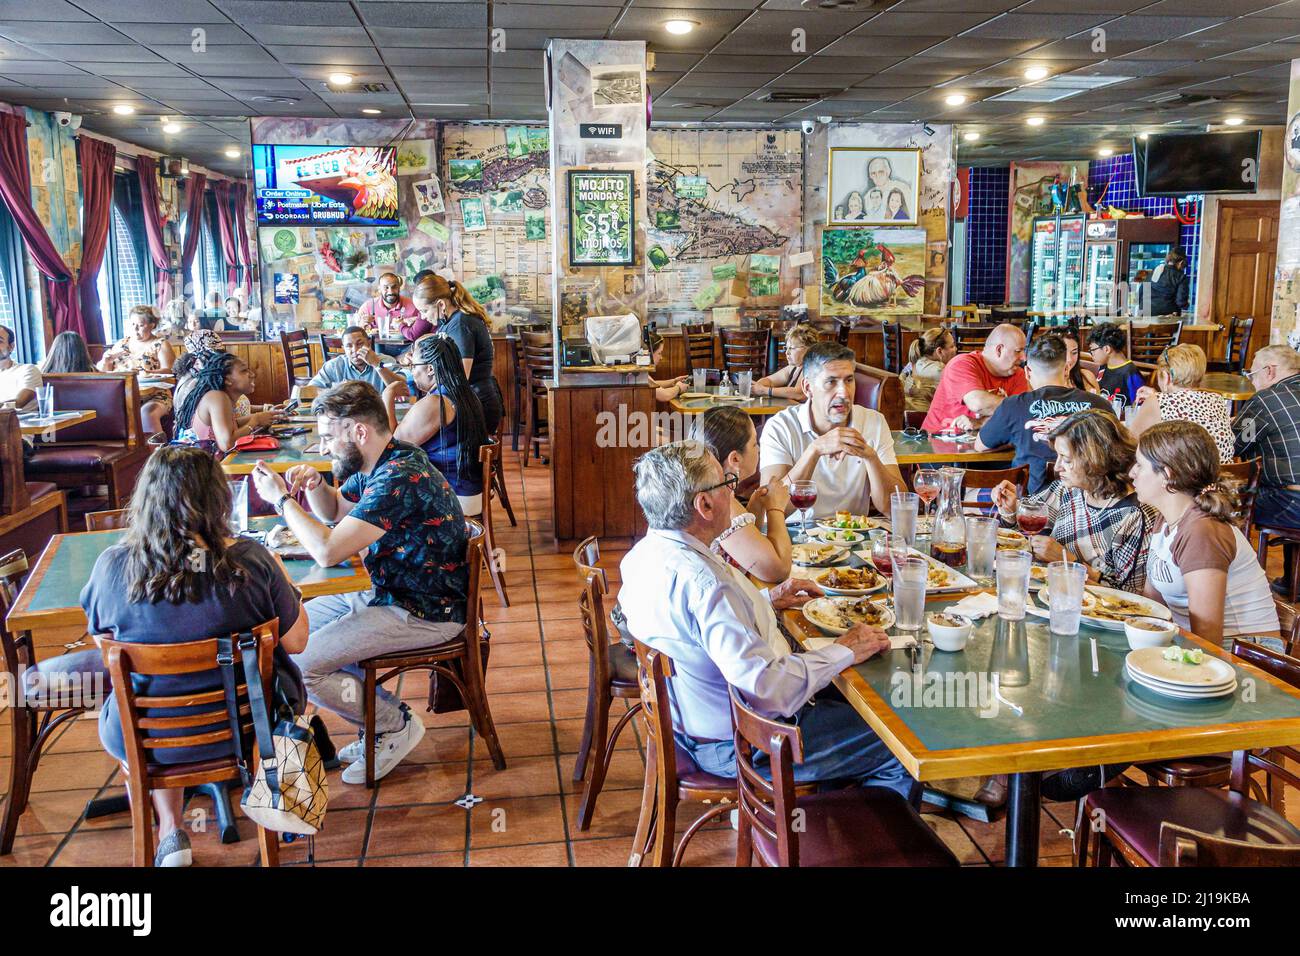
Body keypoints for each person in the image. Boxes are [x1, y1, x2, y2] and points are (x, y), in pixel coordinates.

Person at [619, 441, 912, 796]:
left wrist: (766, 600)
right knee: (900, 742)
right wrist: (844, 649)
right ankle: (840, 843)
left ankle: (819, 809)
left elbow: (696, 631)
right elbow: (766, 687)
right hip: (743, 745)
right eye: (726, 482)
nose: (733, 489)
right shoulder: (705, 584)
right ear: (705, 504)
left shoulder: (642, 555)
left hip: (692, 724)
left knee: (852, 704)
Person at [80, 446, 310, 866]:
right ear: (216, 499)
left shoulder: (111, 567)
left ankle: (171, 834)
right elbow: (296, 643)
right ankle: (278, 804)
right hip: (245, 730)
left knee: (145, 690)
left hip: (149, 739)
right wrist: (283, 580)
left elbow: (103, 645)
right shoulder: (251, 563)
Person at [248, 381, 470, 785]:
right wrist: (316, 486)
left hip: (424, 610)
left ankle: (392, 724)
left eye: (330, 436)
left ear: (359, 432)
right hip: (388, 592)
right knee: (287, 634)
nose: (325, 446)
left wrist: (282, 500)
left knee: (303, 663)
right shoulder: (382, 462)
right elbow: (336, 509)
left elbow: (328, 551)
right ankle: (375, 718)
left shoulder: (399, 475)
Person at [1134, 421, 1280, 647]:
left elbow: (1208, 638)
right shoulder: (1167, 517)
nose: (1132, 473)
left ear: (1167, 475)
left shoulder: (1202, 530)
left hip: (1246, 655)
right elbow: (1152, 605)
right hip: (1198, 644)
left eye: (1139, 465)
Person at [992, 409, 1157, 592]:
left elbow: (1131, 596)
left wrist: (1068, 560)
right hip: (1048, 594)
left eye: (1066, 459)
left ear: (1095, 460)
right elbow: (1020, 539)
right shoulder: (1068, 491)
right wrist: (1011, 509)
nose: (1057, 467)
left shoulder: (1135, 515)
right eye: (1058, 457)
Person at [759, 341, 905, 519]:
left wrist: (871, 458)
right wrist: (814, 450)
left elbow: (896, 510)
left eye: (849, 380)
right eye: (831, 382)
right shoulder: (780, 427)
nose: (844, 393)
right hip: (794, 538)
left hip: (855, 538)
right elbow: (769, 510)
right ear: (807, 388)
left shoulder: (874, 422)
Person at [976, 334, 1113, 493]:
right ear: (1067, 369)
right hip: (1089, 502)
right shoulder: (1100, 404)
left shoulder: (1013, 406)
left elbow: (980, 445)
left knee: (978, 494)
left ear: (1027, 371)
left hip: (1032, 507)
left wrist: (1014, 436)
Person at [382, 333, 488, 516]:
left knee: (384, 502)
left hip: (453, 497)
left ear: (430, 369)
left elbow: (391, 447)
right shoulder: (465, 393)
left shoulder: (436, 403)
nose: (412, 372)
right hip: (469, 489)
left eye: (414, 366)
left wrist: (387, 396)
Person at [692, 405, 792, 583]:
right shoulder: (720, 503)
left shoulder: (708, 488)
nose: (759, 449)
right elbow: (778, 570)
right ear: (735, 459)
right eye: (755, 443)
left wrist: (757, 506)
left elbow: (745, 548)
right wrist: (776, 509)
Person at [1234, 344, 1300, 591]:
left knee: (1228, 501)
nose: (1252, 382)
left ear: (1270, 371)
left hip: (1292, 505)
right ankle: (1291, 580)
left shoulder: (1266, 399)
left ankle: (1243, 586)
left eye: (1252, 375)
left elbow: (1236, 443)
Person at [410, 275, 504, 434]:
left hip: (478, 404)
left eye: (424, 311)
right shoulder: (448, 323)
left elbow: (460, 376)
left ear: (440, 304)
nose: (423, 317)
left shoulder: (460, 324)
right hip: (470, 401)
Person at [1128, 344, 1233, 462]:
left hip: (1185, 478)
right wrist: (1156, 396)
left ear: (1166, 377)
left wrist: (1155, 399)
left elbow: (1130, 442)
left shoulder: (1157, 402)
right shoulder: (1217, 399)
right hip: (1222, 476)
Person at [920, 323, 1028, 433]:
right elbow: (978, 404)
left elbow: (1024, 414)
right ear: (999, 350)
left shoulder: (1017, 374)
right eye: (1018, 351)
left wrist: (982, 422)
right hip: (936, 441)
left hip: (984, 445)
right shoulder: (962, 364)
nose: (1024, 358)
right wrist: (1019, 407)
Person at [174, 351, 281, 452]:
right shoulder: (217, 397)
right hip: (205, 468)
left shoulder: (223, 397)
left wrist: (266, 415)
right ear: (227, 380)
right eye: (244, 371)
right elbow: (227, 444)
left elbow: (232, 424)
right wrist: (256, 421)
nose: (252, 374)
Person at [98, 305, 176, 433]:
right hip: (121, 395)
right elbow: (102, 372)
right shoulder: (122, 344)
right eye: (132, 324)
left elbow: (170, 371)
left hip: (154, 395)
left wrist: (148, 373)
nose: (135, 329)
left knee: (147, 413)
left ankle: (159, 451)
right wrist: (106, 360)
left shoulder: (160, 344)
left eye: (140, 325)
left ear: (152, 325)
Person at [309, 325, 405, 392]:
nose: (355, 350)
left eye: (360, 344)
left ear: (368, 343)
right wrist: (336, 391)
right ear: (343, 349)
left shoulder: (386, 361)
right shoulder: (334, 366)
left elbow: (402, 388)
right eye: (349, 346)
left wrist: (377, 365)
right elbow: (310, 390)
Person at [754, 323, 821, 402]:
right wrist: (759, 386)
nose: (787, 352)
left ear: (808, 349)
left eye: (792, 348)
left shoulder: (811, 368)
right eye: (787, 348)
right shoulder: (793, 368)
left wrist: (766, 390)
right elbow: (770, 380)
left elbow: (799, 393)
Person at [1087, 322, 1145, 407]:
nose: (1091, 354)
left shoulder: (1130, 373)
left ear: (1107, 349)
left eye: (1093, 350)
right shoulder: (1103, 367)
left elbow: (1140, 406)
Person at [901, 327, 957, 413]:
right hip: (922, 419)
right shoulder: (940, 370)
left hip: (906, 414)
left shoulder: (915, 361)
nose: (955, 349)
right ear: (939, 351)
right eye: (952, 346)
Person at [356, 272, 425, 340]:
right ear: (379, 289)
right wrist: (362, 324)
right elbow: (359, 333)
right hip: (377, 347)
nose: (390, 291)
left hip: (407, 347)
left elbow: (422, 331)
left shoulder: (414, 305)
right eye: (386, 287)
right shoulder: (367, 307)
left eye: (394, 287)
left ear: (399, 287)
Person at [0, 325, 40, 410]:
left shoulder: (28, 370)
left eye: (0, 341)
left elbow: (18, 403)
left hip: (19, 422)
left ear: (11, 347)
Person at [646, 333, 688, 403]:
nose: (661, 357)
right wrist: (679, 388)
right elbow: (665, 395)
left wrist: (674, 381)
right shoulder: (638, 374)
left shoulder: (642, 375)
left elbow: (653, 384)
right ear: (649, 354)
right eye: (659, 353)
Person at [1149, 247, 1190, 316]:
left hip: (1148, 315)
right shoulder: (1181, 277)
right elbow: (1181, 302)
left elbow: (1143, 291)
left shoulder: (1156, 270)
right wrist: (1187, 304)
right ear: (1181, 262)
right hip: (1168, 317)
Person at [1059, 325, 1099, 392]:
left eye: (1074, 352)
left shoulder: (1087, 377)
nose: (1070, 359)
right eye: (1063, 353)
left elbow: (1098, 401)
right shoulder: (1041, 382)